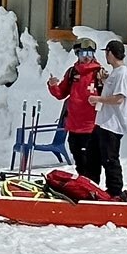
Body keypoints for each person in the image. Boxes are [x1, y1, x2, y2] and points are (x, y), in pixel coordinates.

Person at [47, 37, 107, 184]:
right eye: (82, 54)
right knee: (79, 162)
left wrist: (106, 83)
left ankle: (93, 189)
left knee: (92, 162)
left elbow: (110, 96)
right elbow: (61, 93)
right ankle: (83, 187)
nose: (86, 57)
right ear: (77, 55)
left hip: (92, 127)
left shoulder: (99, 73)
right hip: (74, 126)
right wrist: (53, 85)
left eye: (89, 53)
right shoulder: (73, 72)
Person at [90, 39, 127, 197]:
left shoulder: (122, 73)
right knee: (94, 155)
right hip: (103, 122)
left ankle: (115, 191)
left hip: (113, 124)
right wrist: (105, 81)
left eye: (106, 53)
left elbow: (119, 98)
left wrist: (97, 99)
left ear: (111, 53)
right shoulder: (115, 72)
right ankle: (92, 185)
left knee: (110, 158)